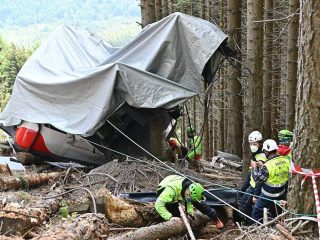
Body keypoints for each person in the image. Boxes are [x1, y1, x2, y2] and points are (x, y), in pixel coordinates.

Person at [155, 175, 224, 229]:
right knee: (177, 215)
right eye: (189, 197)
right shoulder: (170, 191)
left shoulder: (191, 186)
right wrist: (169, 217)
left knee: (196, 202)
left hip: (179, 187)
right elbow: (158, 205)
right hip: (166, 191)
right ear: (187, 193)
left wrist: (190, 212)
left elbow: (189, 200)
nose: (189, 200)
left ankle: (214, 217)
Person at [251, 139, 290, 222]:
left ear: (266, 151)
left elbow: (257, 179)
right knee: (276, 214)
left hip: (267, 196)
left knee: (256, 214)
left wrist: (254, 167)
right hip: (281, 195)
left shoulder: (268, 165)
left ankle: (259, 231)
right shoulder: (286, 161)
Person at [239, 131, 267, 224]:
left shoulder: (261, 156)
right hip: (252, 183)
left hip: (256, 186)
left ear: (260, 143)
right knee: (245, 201)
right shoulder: (256, 153)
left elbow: (259, 176)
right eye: (251, 144)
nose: (252, 146)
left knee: (244, 204)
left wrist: (255, 194)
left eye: (254, 144)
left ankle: (249, 223)